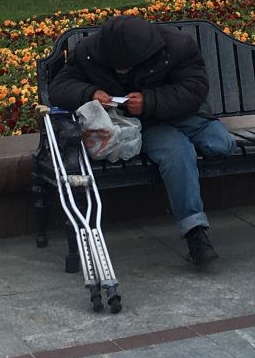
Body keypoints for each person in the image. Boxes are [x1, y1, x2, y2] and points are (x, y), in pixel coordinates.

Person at [47, 14, 235, 266]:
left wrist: (150, 101)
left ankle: (188, 141)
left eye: (127, 65)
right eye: (116, 66)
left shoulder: (177, 46)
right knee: (178, 154)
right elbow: (60, 87)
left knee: (222, 145)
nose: (121, 71)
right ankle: (195, 234)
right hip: (144, 127)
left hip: (185, 115)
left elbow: (195, 88)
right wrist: (90, 93)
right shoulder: (89, 52)